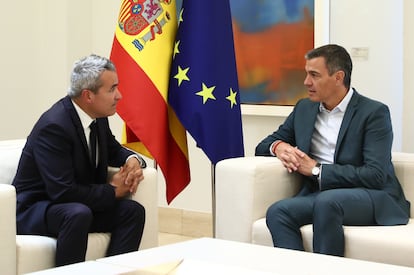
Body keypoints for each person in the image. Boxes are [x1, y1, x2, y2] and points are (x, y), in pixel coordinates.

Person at [255, 44, 410, 257]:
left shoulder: (374, 113)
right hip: (322, 196)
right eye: (306, 74)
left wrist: (317, 170)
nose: (306, 82)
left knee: (327, 202)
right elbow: (264, 144)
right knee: (278, 211)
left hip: (373, 196)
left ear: (338, 77)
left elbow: (375, 174)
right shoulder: (304, 108)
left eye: (314, 75)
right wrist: (279, 146)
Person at [12, 54, 147, 266]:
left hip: (73, 204)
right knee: (77, 214)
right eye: (111, 89)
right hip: (37, 208)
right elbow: (62, 191)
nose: (119, 96)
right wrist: (112, 192)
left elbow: (113, 149)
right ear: (88, 96)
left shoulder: (98, 118)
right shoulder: (55, 126)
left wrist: (133, 160)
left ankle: (116, 272)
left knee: (132, 212)